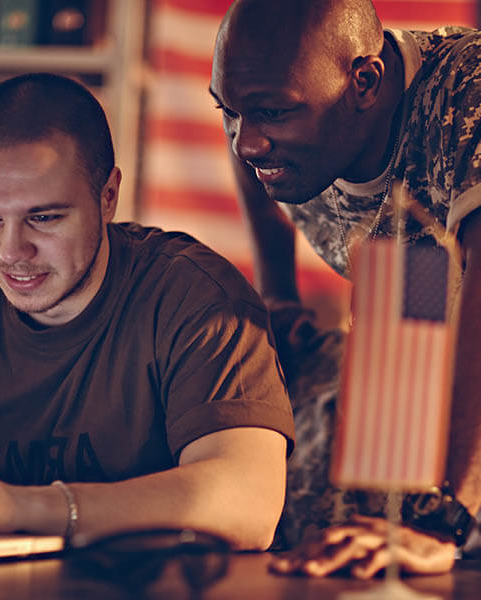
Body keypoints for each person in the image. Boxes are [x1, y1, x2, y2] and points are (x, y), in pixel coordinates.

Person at [0, 72, 295, 550]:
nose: (12, 251)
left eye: (44, 217)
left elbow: (250, 502)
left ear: (107, 197)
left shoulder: (196, 298)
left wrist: (18, 507)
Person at [210, 0, 481, 577]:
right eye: (231, 113)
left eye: (272, 113)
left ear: (364, 81)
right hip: (416, 298)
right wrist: (279, 294)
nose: (246, 143)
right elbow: (248, 134)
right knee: (319, 509)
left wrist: (444, 521)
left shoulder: (466, 92)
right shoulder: (264, 112)